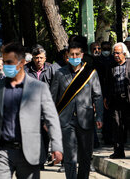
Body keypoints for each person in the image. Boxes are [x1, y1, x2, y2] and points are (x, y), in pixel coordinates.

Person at [0, 42, 63, 179]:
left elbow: (51, 118)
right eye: (4, 62)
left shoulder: (39, 88)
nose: (6, 66)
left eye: (10, 62)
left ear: (22, 62)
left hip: (29, 152)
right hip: (1, 151)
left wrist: (57, 146)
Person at [50, 41, 102, 179]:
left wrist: (99, 117)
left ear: (82, 55)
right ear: (67, 56)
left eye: (77, 54)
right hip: (66, 121)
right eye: (71, 54)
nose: (74, 57)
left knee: (85, 156)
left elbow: (97, 96)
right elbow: (52, 98)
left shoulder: (91, 73)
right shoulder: (60, 73)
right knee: (70, 157)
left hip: (86, 119)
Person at [104, 42, 130, 159]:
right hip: (116, 101)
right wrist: (106, 98)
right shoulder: (111, 66)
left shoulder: (129, 64)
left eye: (118, 53)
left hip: (128, 101)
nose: (115, 55)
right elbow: (108, 84)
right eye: (114, 53)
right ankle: (118, 151)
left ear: (124, 53)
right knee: (117, 125)